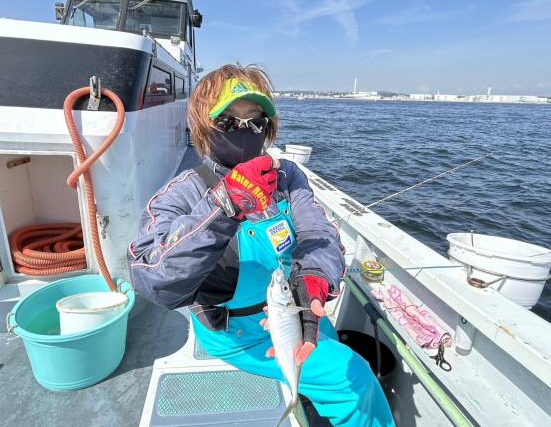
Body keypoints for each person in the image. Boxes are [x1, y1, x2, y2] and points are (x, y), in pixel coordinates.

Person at [128, 64, 394, 426]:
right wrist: (223, 205)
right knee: (355, 380)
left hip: (296, 307)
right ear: (204, 126)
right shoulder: (183, 193)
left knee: (330, 346)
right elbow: (152, 278)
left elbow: (320, 234)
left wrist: (315, 278)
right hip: (237, 332)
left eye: (255, 121)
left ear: (267, 128)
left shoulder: (287, 177)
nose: (243, 131)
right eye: (228, 121)